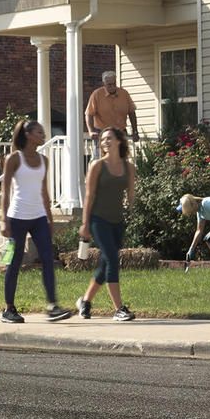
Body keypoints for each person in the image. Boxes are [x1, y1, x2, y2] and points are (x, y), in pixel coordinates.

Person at [0, 119, 74, 324]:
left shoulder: (44, 160)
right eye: (40, 132)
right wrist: (3, 219)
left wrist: (49, 218)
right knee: (13, 263)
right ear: (29, 135)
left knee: (48, 259)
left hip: (38, 217)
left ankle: (52, 306)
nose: (43, 136)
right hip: (16, 218)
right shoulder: (14, 158)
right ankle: (9, 309)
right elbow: (5, 192)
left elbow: (44, 192)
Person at [75, 128, 137, 322]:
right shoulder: (97, 166)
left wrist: (135, 213)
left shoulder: (129, 167)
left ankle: (85, 301)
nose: (105, 142)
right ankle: (119, 309)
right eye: (102, 139)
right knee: (111, 259)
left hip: (117, 221)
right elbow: (89, 195)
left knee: (104, 265)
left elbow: (132, 195)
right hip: (98, 220)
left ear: (119, 141)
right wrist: (85, 224)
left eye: (109, 138)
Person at [84, 67, 139, 145]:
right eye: (109, 85)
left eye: (114, 84)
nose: (112, 87)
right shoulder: (97, 94)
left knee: (121, 156)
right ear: (104, 84)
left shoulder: (124, 94)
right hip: (102, 133)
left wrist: (135, 131)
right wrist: (91, 131)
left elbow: (132, 113)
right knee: (103, 155)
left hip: (120, 132)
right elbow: (89, 114)